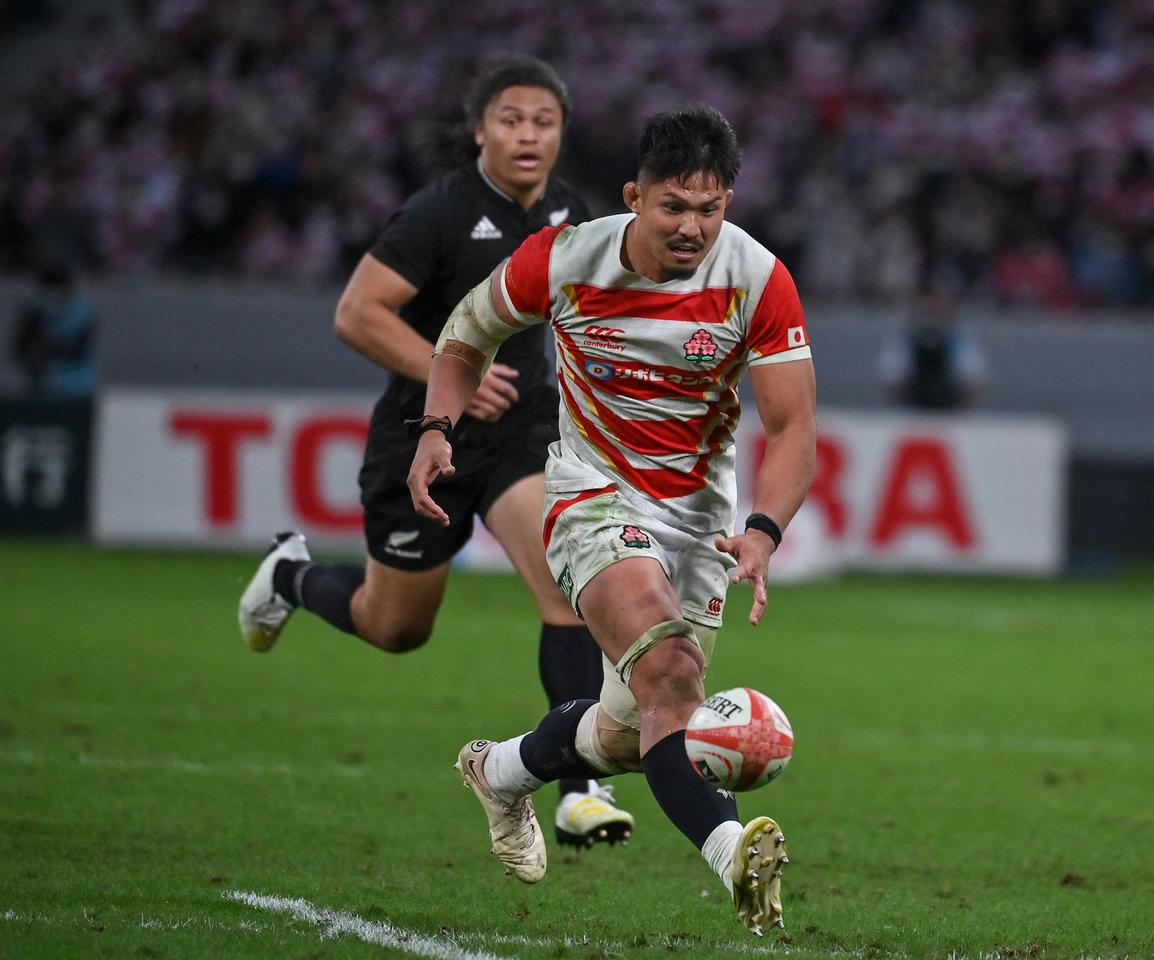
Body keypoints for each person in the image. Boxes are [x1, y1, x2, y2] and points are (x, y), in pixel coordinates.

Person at [407, 104, 816, 936]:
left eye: (710, 208)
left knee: (635, 733)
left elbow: (792, 428)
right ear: (635, 197)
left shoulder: (757, 278)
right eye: (674, 206)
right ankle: (734, 853)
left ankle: (502, 771)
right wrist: (437, 427)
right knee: (670, 673)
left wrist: (763, 530)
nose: (692, 227)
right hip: (591, 497)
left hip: (699, 524)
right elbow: (465, 334)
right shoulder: (564, 259)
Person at [236, 54, 634, 848]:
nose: (528, 135)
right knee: (394, 627)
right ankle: (290, 576)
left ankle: (579, 790)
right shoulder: (439, 214)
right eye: (512, 120)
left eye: (544, 121)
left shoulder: (570, 212)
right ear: (480, 130)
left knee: (569, 591)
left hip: (523, 435)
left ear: (562, 133)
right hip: (425, 437)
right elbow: (357, 313)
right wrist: (447, 375)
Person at [9, 260, 97, 397]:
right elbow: (19, 349)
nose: (55, 295)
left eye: (59, 290)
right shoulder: (34, 312)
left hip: (77, 385)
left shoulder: (82, 312)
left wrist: (54, 346)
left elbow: (80, 350)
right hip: (42, 385)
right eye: (49, 290)